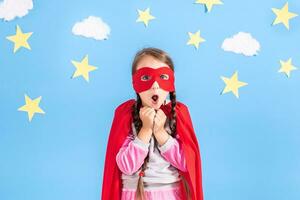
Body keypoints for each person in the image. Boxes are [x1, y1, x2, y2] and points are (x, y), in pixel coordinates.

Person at [101, 47, 204, 200]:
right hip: (134, 195)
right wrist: (145, 130)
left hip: (170, 195)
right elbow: (126, 166)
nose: (155, 85)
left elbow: (187, 163)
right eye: (146, 78)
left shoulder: (177, 115)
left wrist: (161, 133)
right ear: (134, 83)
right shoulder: (126, 116)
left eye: (162, 77)